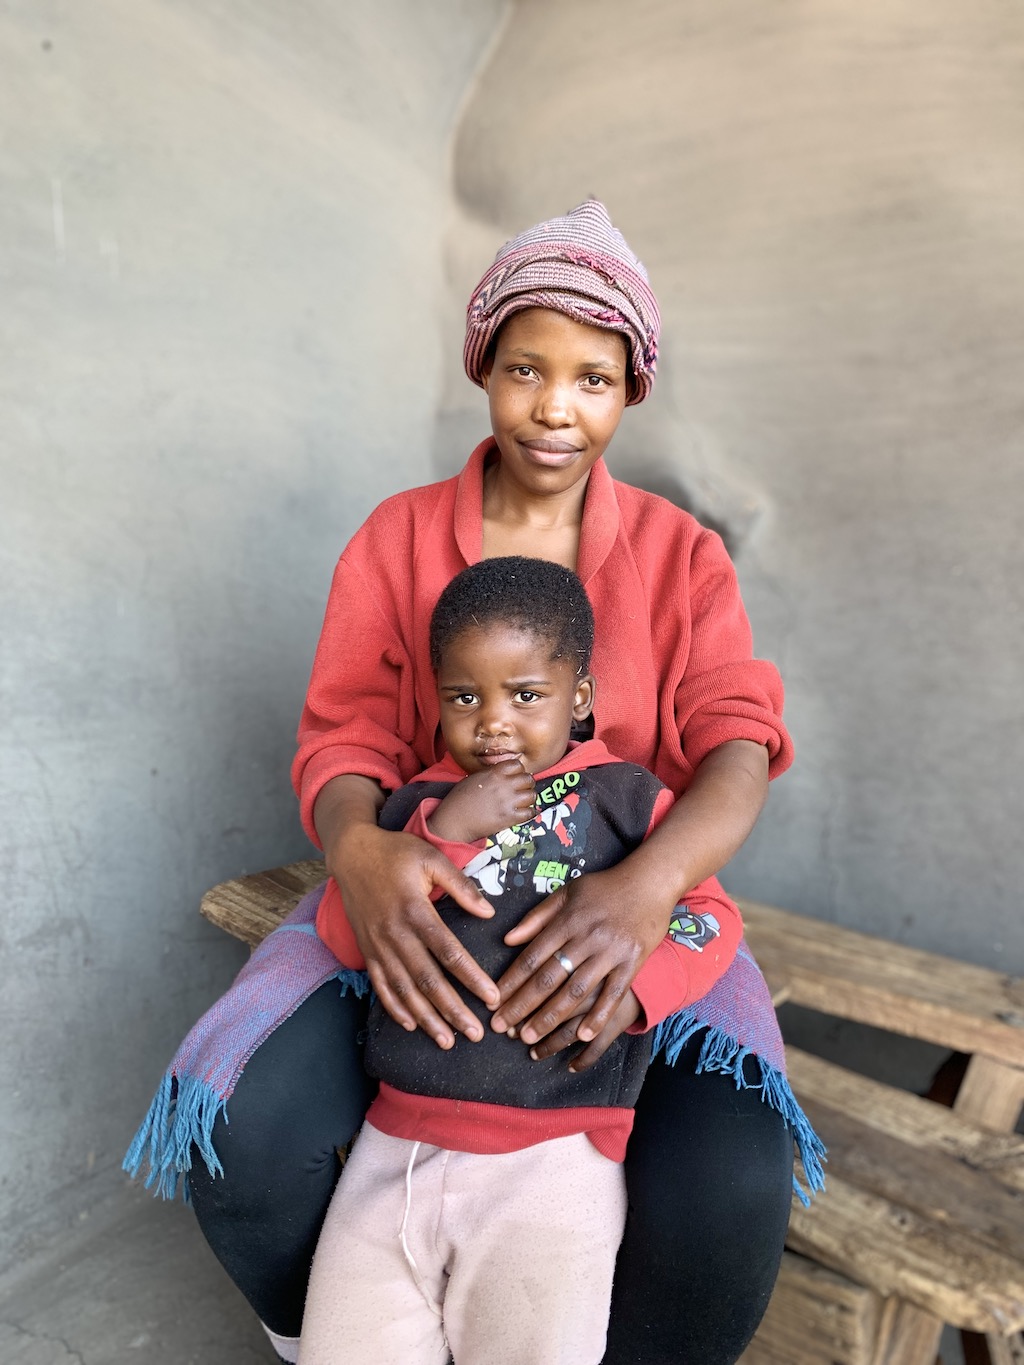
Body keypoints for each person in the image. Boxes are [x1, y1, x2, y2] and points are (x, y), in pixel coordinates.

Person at [125, 199, 823, 1365]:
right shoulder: (394, 540)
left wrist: (645, 892)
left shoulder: (681, 557)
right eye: (525, 369)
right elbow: (344, 739)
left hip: (631, 896)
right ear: (482, 367)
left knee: (730, 1189)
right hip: (422, 885)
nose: (555, 407)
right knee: (243, 1135)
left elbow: (737, 747)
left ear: (631, 389)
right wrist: (361, 854)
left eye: (593, 378)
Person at [300, 555, 742, 1365]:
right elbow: (342, 932)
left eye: (526, 695)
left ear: (581, 696)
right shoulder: (412, 807)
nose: (493, 724)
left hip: (554, 1157)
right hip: (394, 1147)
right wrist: (442, 831)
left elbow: (710, 918)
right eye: (465, 697)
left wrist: (636, 992)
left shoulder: (625, 799)